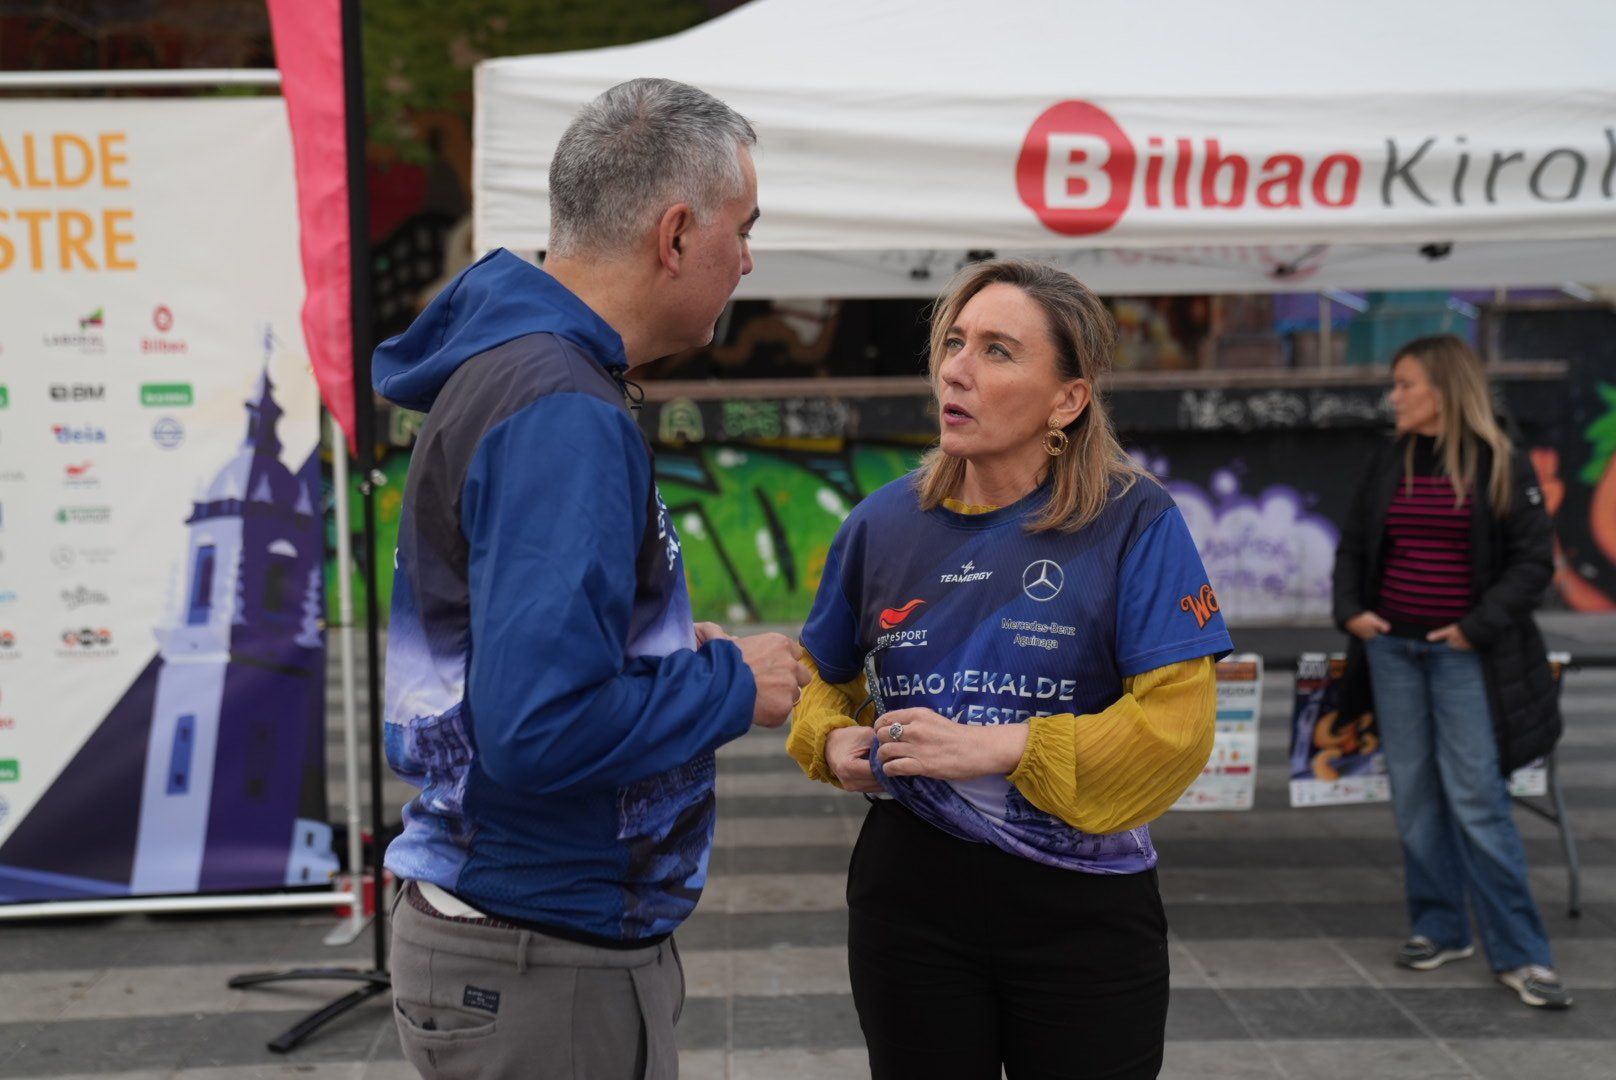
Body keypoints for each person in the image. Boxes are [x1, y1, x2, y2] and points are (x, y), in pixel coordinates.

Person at [371, 78, 810, 1079]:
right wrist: (732, 683)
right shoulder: (560, 408)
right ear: (674, 234)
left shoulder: (524, 372)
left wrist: (659, 656)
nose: (746, 258)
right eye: (741, 229)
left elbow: (514, 664)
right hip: (538, 955)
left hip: (522, 938)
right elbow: (538, 725)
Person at [787, 259, 1232, 1079]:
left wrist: (1002, 746)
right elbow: (823, 678)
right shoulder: (880, 524)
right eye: (953, 342)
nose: (956, 368)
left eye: (997, 350)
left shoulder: (1134, 520)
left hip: (1084, 902)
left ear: (1068, 398)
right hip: (908, 894)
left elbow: (1179, 726)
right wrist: (831, 740)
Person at [1332, 334, 1570, 1009]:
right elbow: (1354, 545)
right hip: (1392, 651)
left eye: (1406, 384)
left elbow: (1533, 563)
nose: (1395, 396)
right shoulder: (1390, 458)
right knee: (1414, 797)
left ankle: (1523, 952)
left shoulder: (1499, 460)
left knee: (1477, 801)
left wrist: (1474, 628)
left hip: (1466, 657)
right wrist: (1351, 612)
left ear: (1444, 388)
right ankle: (1440, 927)